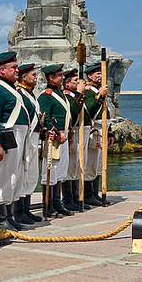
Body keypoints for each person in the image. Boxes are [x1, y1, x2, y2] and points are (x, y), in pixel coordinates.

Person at [0, 51, 27, 230]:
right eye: (13, 68)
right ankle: (1, 220)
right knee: (2, 178)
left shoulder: (7, 87)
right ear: (2, 71)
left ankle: (8, 216)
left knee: (13, 177)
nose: (17, 71)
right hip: (6, 137)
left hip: (15, 136)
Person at [37, 63, 71, 217]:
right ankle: (48, 205)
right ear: (51, 77)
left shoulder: (60, 93)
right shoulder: (46, 96)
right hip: (54, 138)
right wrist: (56, 133)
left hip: (63, 135)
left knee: (61, 170)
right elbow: (45, 117)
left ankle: (57, 202)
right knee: (51, 170)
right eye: (60, 75)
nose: (63, 77)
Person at [14, 62, 42, 223]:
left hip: (33, 137)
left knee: (31, 174)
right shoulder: (20, 94)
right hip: (24, 138)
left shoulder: (30, 94)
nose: (36, 77)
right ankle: (19, 211)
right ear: (24, 77)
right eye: (33, 75)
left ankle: (26, 208)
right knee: (22, 174)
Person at [83, 62, 109, 206]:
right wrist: (99, 95)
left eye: (101, 74)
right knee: (91, 162)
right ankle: (88, 194)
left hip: (102, 129)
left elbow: (107, 114)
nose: (100, 76)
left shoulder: (99, 90)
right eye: (97, 74)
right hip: (94, 129)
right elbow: (90, 110)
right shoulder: (88, 92)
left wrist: (109, 133)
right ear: (90, 76)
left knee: (99, 163)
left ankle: (94, 192)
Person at [62, 68, 87, 211]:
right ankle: (68, 198)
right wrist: (79, 93)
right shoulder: (68, 96)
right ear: (67, 83)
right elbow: (73, 110)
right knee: (70, 167)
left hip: (78, 131)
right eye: (75, 81)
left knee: (76, 165)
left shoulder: (73, 95)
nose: (78, 83)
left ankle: (76, 196)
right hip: (71, 131)